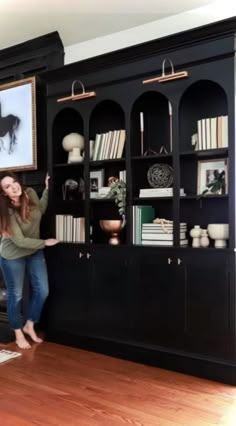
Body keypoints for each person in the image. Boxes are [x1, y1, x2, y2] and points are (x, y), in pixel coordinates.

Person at [0, 171, 59, 349]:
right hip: (13, 255)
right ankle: (18, 333)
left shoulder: (30, 193)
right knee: (15, 295)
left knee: (43, 290)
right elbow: (19, 241)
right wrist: (45, 242)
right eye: (8, 186)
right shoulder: (6, 211)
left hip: (33, 251)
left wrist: (47, 190)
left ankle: (29, 324)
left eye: (14, 182)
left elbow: (40, 209)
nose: (14, 187)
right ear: (4, 193)